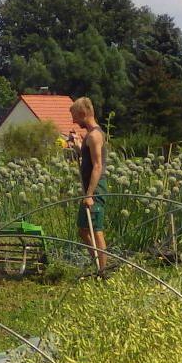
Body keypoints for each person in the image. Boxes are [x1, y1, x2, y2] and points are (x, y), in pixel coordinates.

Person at [71, 97, 108, 271]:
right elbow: (87, 158)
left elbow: (98, 165)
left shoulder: (95, 135)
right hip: (89, 189)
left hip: (95, 189)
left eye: (75, 117)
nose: (73, 121)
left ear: (83, 114)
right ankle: (96, 264)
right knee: (83, 230)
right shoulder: (89, 136)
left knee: (96, 229)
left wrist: (90, 194)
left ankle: (102, 270)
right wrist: (79, 148)